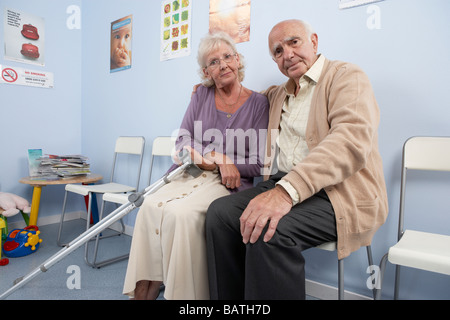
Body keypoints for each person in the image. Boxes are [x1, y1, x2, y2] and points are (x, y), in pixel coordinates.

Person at [205, 19, 388, 299]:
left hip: (339, 193)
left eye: (294, 42)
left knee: (269, 230)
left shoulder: (347, 77)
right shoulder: (279, 93)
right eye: (277, 51)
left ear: (313, 41)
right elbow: (243, 99)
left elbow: (349, 142)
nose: (287, 54)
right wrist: (210, 85)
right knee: (220, 214)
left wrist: (285, 193)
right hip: (284, 183)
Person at [122, 31, 269, 300]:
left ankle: (185, 296)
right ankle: (145, 289)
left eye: (227, 57)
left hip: (228, 185)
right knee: (149, 206)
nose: (223, 64)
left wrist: (226, 164)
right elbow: (182, 139)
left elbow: (259, 162)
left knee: (180, 214)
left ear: (237, 60)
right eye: (214, 61)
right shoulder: (201, 94)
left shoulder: (259, 103)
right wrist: (217, 158)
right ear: (206, 71)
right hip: (189, 172)